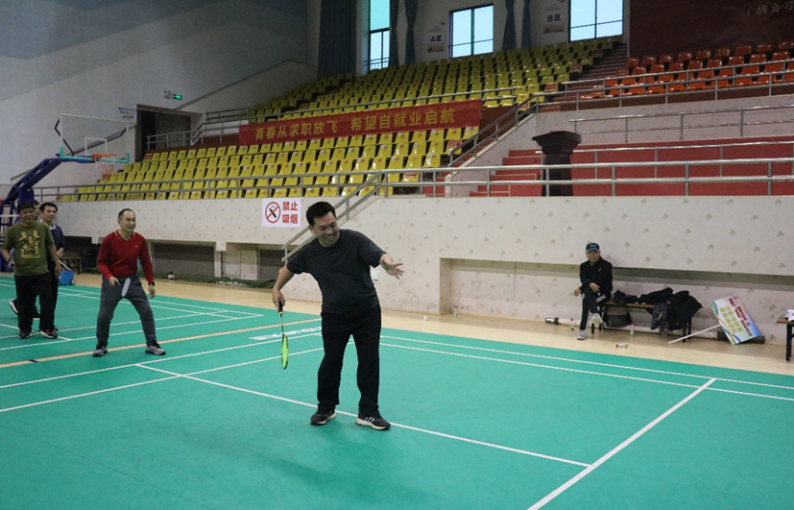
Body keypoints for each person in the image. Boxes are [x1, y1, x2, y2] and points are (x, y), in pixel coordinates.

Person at [272, 201, 403, 431]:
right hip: (334, 316)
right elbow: (289, 268)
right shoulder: (309, 252)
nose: (330, 231)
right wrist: (276, 289)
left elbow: (380, 255)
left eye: (333, 225)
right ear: (312, 229)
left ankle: (368, 412)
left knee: (369, 362)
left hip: (367, 313)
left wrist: (387, 264)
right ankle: (326, 407)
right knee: (331, 362)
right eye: (323, 228)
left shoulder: (355, 240)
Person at [93, 208, 165, 357]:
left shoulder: (139, 240)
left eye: (133, 220)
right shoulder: (109, 239)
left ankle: (151, 344)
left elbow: (145, 262)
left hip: (132, 282)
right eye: (128, 220)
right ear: (119, 222)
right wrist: (109, 276)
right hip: (113, 282)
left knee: (146, 312)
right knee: (104, 316)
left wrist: (151, 282)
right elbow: (101, 262)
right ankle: (101, 344)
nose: (131, 223)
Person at [1, 201, 60, 339]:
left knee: (47, 300)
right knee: (24, 303)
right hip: (22, 273)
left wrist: (57, 264)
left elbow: (51, 246)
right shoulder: (13, 230)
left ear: (35, 212)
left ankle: (47, 328)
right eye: (25, 212)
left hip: (42, 271)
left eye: (31, 211)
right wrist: (9, 260)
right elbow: (5, 249)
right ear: (20, 214)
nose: (28, 214)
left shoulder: (43, 228)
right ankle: (25, 329)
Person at [573, 242, 613, 340]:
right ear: (586, 254)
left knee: (586, 299)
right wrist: (588, 285)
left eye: (595, 252)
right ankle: (594, 314)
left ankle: (583, 329)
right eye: (590, 253)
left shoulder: (606, 265)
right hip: (590, 293)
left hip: (603, 293)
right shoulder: (584, 266)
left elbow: (599, 279)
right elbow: (583, 279)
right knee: (587, 293)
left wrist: (582, 288)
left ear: (599, 253)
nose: (593, 255)